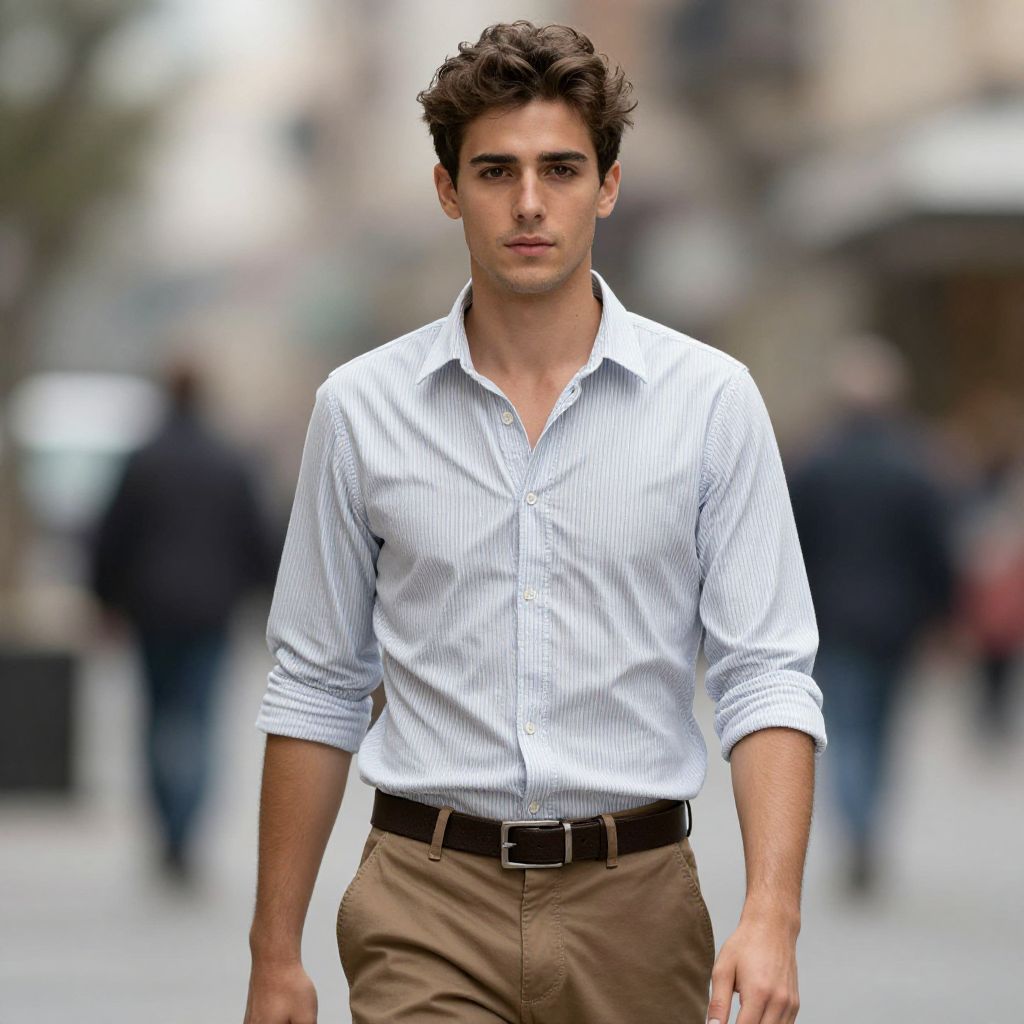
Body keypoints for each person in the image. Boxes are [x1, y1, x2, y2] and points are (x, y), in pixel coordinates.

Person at [244, 21, 826, 1024]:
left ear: (606, 185)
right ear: (445, 188)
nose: (527, 203)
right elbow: (317, 680)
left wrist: (771, 915)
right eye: (493, 171)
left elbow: (764, 670)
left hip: (635, 902)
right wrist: (274, 953)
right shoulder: (360, 408)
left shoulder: (711, 401)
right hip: (424, 897)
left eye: (560, 168)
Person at [89, 357, 281, 883]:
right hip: (211, 612)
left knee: (156, 718)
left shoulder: (142, 459)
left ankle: (166, 827)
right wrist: (263, 599)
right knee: (199, 720)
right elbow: (259, 537)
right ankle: (187, 829)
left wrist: (104, 601)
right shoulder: (231, 461)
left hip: (150, 610)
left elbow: (110, 537)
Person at [788, 334, 956, 896]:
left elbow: (791, 546)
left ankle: (856, 826)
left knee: (848, 730)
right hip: (898, 624)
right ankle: (867, 827)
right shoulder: (916, 464)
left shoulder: (816, 464)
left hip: (833, 620)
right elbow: (938, 550)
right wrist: (945, 615)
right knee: (882, 731)